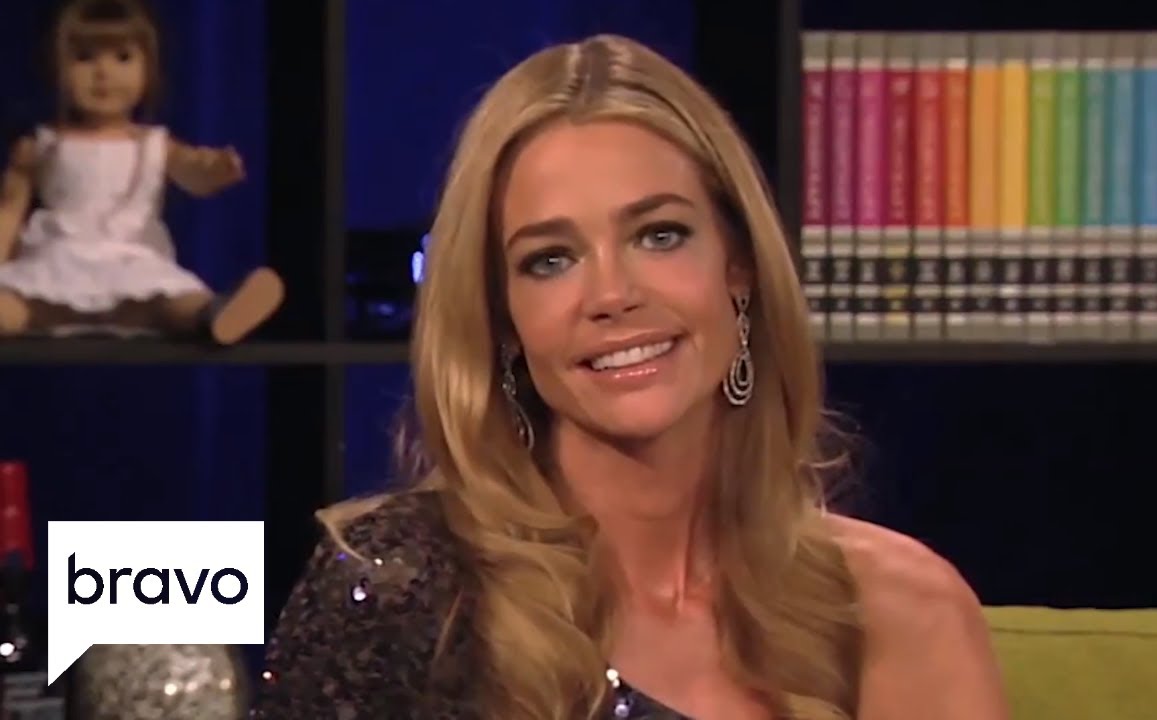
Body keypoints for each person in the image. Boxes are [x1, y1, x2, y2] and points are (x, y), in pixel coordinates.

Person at [252, 34, 1009, 720]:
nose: (613, 294)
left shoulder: (901, 613)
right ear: (504, 317)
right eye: (551, 260)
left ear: (738, 267)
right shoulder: (400, 592)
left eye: (660, 235)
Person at [0, 0, 284, 343]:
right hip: (58, 261)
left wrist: (210, 169)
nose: (103, 73)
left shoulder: (155, 144)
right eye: (84, 58)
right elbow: (9, 210)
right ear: (57, 68)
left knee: (168, 302)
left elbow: (191, 172)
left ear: (149, 70)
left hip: (130, 262)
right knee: (19, 305)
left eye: (122, 58)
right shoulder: (42, 145)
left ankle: (211, 314)